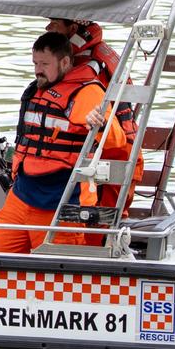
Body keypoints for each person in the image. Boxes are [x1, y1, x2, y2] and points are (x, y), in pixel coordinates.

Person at [0, 32, 126, 254]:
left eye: (44, 64)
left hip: (60, 202)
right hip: (21, 196)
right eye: (35, 63)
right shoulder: (38, 89)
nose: (37, 70)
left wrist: (99, 123)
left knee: (57, 279)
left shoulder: (86, 92)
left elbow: (116, 141)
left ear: (65, 62)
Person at [45, 17, 143, 217]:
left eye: (54, 23)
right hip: (119, 146)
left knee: (102, 221)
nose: (48, 28)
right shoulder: (97, 53)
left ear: (72, 28)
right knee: (106, 218)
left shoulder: (84, 66)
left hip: (114, 151)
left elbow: (89, 115)